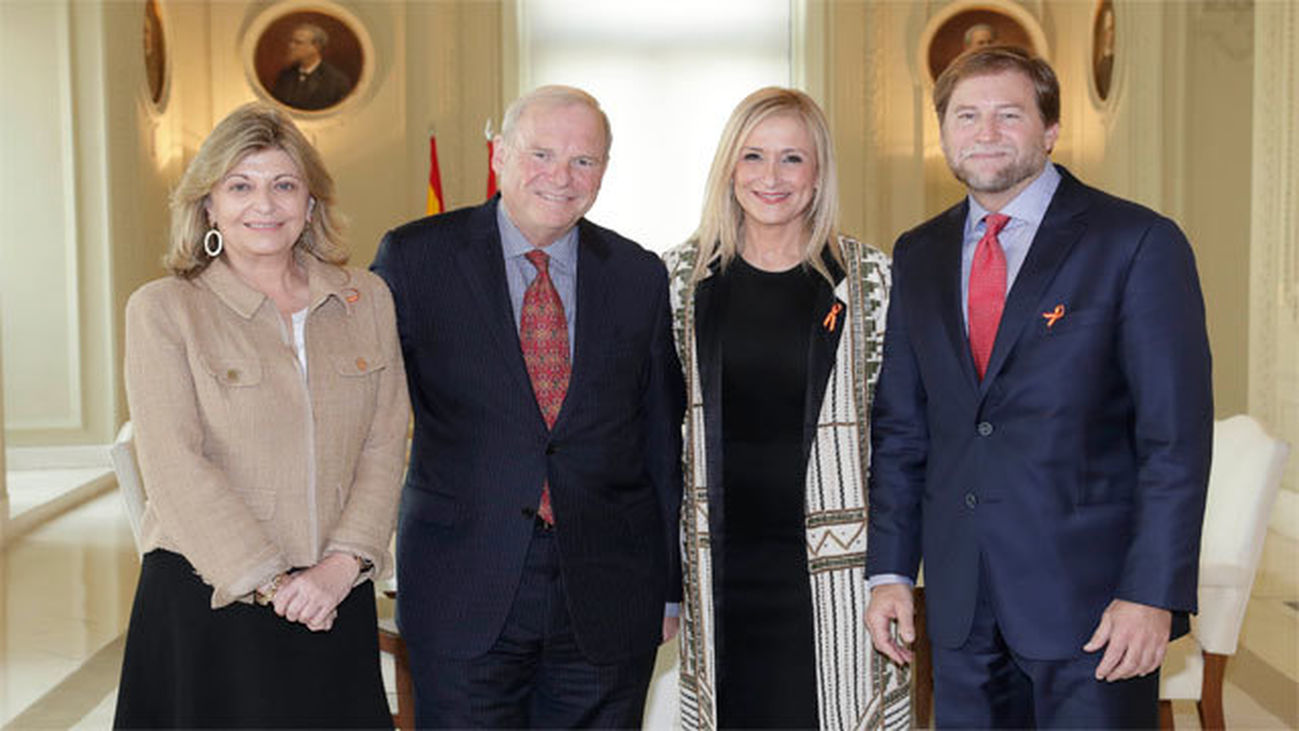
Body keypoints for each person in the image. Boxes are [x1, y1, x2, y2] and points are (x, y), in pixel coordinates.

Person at [864, 46, 1212, 728]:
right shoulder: (919, 252)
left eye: (1007, 114)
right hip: (962, 610)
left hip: (1094, 611)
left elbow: (1173, 440)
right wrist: (890, 571)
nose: (984, 132)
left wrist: (1150, 593)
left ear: (1049, 130)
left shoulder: (1135, 241)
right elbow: (903, 427)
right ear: (943, 133)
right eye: (966, 115)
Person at [371, 85, 686, 728]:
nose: (561, 177)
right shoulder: (415, 258)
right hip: (462, 585)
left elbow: (660, 439)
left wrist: (670, 586)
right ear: (498, 155)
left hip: (607, 594)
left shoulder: (638, 275)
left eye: (584, 161)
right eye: (541, 153)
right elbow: (368, 414)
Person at [113, 102, 409, 729]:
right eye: (240, 186)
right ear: (208, 205)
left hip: (334, 595)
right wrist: (273, 584)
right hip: (211, 599)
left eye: (284, 185)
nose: (264, 205)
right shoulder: (164, 309)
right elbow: (172, 464)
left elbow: (385, 445)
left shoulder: (367, 298)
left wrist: (341, 566)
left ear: (310, 202)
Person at [663, 87, 911, 730]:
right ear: (729, 168)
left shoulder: (872, 281)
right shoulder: (678, 281)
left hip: (842, 571)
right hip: (718, 568)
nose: (771, 178)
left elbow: (903, 438)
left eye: (792, 159)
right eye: (753, 156)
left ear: (819, 172)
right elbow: (652, 443)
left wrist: (896, 569)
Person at [271, 23, 351, 111]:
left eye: (298, 42)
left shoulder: (337, 81)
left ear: (316, 47)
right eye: (291, 41)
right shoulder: (285, 76)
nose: (291, 46)